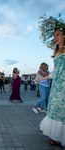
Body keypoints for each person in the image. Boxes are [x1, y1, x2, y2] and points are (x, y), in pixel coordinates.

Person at [39, 15, 65, 146]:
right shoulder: (56, 52)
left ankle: (59, 137)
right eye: (54, 35)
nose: (56, 38)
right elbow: (54, 72)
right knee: (54, 108)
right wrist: (42, 78)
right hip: (56, 85)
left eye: (58, 35)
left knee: (62, 110)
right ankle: (56, 136)